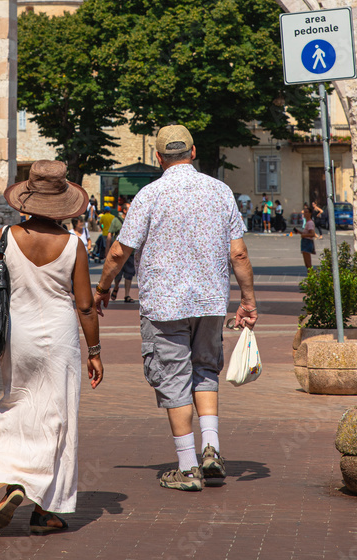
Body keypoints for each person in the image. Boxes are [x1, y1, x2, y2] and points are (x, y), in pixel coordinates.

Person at [95, 125, 257, 493]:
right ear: (194, 151)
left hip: (164, 304)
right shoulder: (220, 192)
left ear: (158, 158)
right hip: (210, 302)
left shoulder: (150, 194)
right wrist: (247, 300)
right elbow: (239, 253)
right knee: (204, 370)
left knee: (173, 376)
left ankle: (186, 468)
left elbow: (120, 251)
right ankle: (211, 449)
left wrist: (103, 288)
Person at [0, 160, 103, 533]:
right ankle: (45, 510)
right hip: (61, 340)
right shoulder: (73, 245)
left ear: (26, 200)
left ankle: (14, 480)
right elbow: (85, 305)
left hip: (18, 337)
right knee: (59, 418)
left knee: (16, 404)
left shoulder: (5, 237)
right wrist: (94, 352)